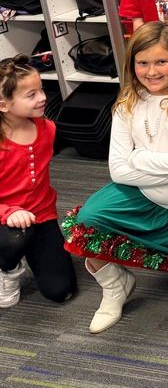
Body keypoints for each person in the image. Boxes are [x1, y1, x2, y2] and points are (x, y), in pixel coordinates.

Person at [62, 22, 168, 333]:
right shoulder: (128, 102)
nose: (151, 71)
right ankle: (115, 286)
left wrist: (140, 159)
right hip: (145, 194)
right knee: (85, 220)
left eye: (161, 61)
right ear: (132, 64)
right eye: (142, 63)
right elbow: (117, 170)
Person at [0, 55, 76, 308]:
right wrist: (8, 211)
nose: (42, 97)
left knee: (60, 290)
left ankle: (24, 250)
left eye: (41, 89)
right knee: (12, 241)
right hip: (5, 219)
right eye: (31, 94)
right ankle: (7, 268)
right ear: (3, 105)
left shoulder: (47, 129)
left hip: (41, 216)